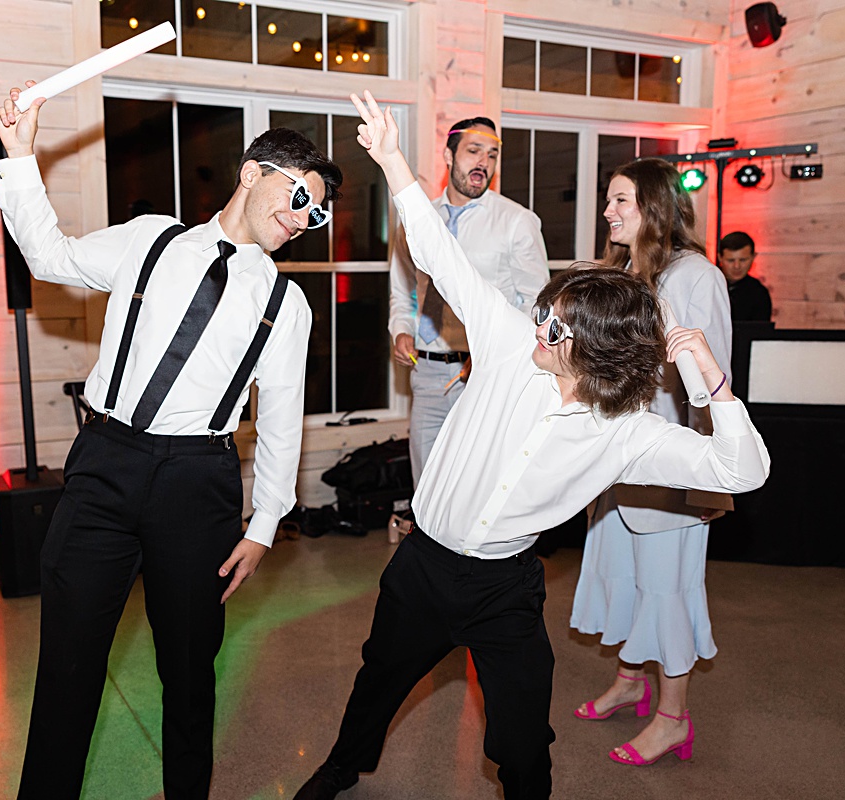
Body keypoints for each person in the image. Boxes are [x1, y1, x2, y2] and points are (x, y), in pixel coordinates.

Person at [291, 91, 769, 800]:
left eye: (556, 326)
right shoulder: (510, 342)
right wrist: (392, 159)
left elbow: (743, 468)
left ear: (595, 351)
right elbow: (437, 254)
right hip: (423, 566)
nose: (539, 326)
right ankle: (342, 766)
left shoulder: (629, 433)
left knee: (520, 740)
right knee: (379, 680)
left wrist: (713, 384)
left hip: (504, 587)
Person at [0, 81, 342, 800]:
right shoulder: (153, 238)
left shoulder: (285, 301)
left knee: (189, 674)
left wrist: (266, 524)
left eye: (317, 212)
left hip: (198, 483)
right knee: (67, 668)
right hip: (106, 464)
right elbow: (50, 257)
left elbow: (281, 417)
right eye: (298, 195)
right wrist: (20, 158)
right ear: (252, 172)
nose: (304, 217)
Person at [568, 158, 734, 766]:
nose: (607, 212)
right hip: (614, 462)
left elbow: (712, 380)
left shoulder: (697, 276)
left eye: (619, 202)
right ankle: (631, 682)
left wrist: (704, 476)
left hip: (670, 464)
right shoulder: (621, 270)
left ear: (655, 208)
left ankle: (673, 719)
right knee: (624, 575)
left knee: (668, 588)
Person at [388, 116, 549, 486]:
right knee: (426, 488)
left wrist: (496, 352)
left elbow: (536, 303)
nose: (483, 163)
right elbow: (403, 289)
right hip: (426, 373)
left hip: (485, 374)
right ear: (448, 155)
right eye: (474, 151)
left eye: (491, 155)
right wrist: (401, 330)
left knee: (477, 485)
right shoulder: (418, 220)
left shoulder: (517, 221)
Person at [718, 231, 773, 322]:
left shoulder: (758, 293)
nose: (737, 266)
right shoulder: (708, 285)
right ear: (720, 258)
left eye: (743, 260)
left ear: (753, 257)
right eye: (731, 260)